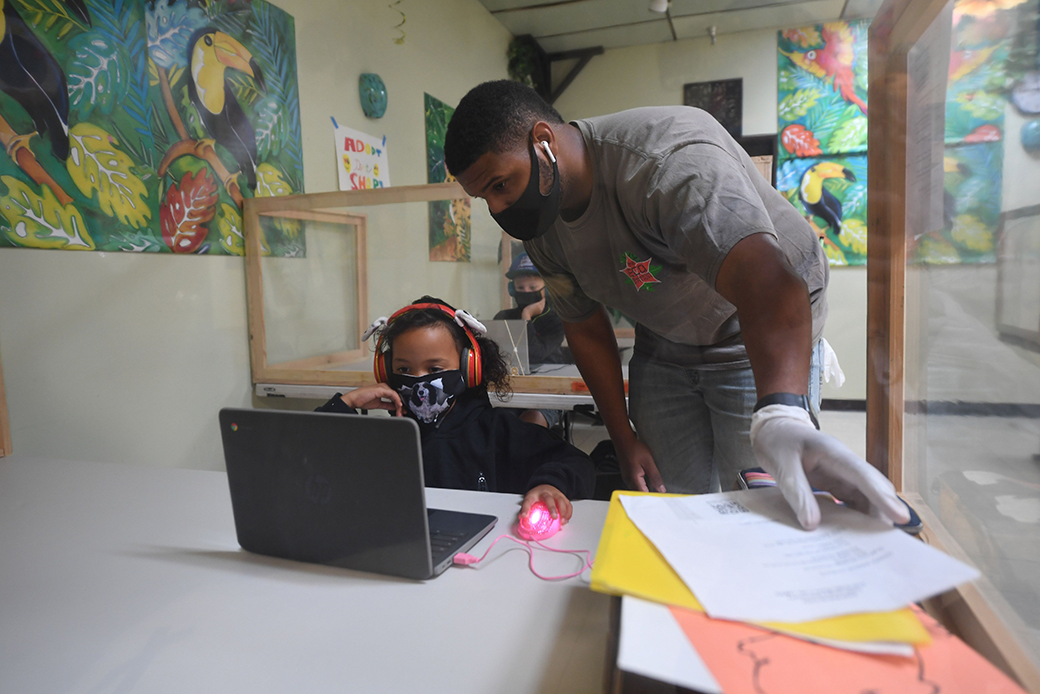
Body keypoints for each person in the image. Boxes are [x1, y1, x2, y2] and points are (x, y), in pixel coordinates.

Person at [443, 80, 908, 530]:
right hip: (665, 343)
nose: (499, 209)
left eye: (502, 185)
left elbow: (768, 282)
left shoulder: (667, 160)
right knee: (672, 504)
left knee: (765, 505)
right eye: (485, 197)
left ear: (542, 143)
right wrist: (622, 438)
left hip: (756, 332)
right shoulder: (544, 228)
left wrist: (781, 411)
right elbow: (583, 327)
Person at [316, 296, 594, 524]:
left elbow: (576, 462)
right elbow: (305, 458)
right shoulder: (388, 436)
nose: (419, 379)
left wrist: (550, 484)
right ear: (385, 371)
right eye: (403, 369)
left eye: (434, 369)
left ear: (468, 368)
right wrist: (347, 403)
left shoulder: (495, 430)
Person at [494, 251, 566, 429]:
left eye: (533, 289)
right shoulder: (503, 317)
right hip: (511, 390)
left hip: (547, 392)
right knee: (499, 421)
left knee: (531, 422)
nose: (526, 293)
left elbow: (535, 354)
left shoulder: (556, 320)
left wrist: (526, 317)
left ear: (546, 288)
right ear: (512, 290)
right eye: (520, 289)